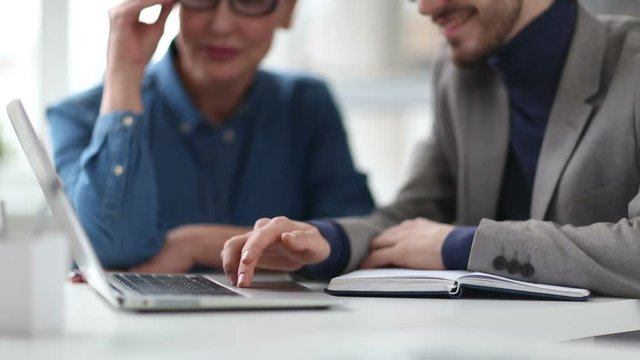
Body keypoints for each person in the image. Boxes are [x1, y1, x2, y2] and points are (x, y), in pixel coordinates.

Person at [220, 0, 640, 298]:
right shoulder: (459, 71)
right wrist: (327, 242)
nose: (423, 7)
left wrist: (461, 246)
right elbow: (416, 215)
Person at [47, 0, 374, 270]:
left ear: (287, 11)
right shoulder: (80, 117)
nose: (220, 25)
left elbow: (352, 240)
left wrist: (195, 244)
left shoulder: (306, 104)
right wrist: (124, 73)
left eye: (249, 2)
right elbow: (109, 248)